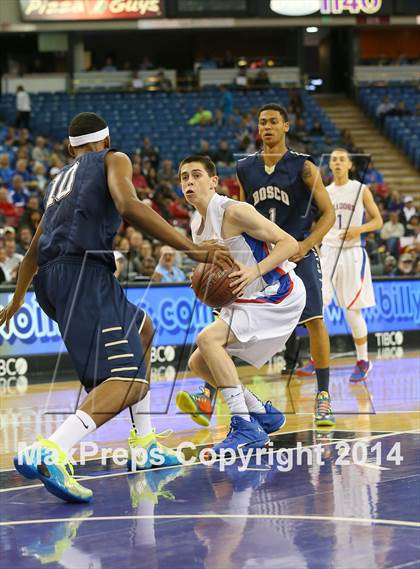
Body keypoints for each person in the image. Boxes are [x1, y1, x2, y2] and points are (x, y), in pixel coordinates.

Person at [0, 112, 231, 504]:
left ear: (71, 147)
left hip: (53, 282)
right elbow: (128, 204)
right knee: (128, 382)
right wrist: (192, 249)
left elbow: (33, 250)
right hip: (83, 275)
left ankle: (143, 446)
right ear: (105, 140)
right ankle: (50, 450)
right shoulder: (114, 158)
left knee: (143, 328)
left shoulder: (58, 181)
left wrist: (18, 297)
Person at [177, 104, 336, 428]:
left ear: (286, 126)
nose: (267, 127)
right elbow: (233, 220)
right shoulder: (246, 169)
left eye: (273, 122)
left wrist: (306, 245)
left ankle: (322, 396)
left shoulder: (302, 166)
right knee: (206, 345)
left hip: (291, 254)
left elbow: (327, 214)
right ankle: (250, 409)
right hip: (258, 260)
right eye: (262, 122)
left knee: (315, 321)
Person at [176, 155, 306, 453]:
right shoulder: (197, 224)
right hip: (250, 295)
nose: (189, 182)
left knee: (207, 339)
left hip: (278, 290)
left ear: (213, 181)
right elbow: (223, 267)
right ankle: (262, 413)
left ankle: (245, 425)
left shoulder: (234, 211)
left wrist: (254, 270)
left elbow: (289, 243)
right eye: (184, 177)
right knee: (198, 360)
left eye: (196, 175)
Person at [320, 149, 383, 382]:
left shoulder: (360, 189)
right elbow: (320, 224)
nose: (337, 163)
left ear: (349, 165)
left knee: (351, 311)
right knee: (319, 305)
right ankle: (318, 357)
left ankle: (363, 360)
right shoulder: (324, 192)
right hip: (328, 251)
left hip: (351, 253)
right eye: (333, 159)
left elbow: (378, 220)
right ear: (329, 165)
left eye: (341, 159)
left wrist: (359, 229)